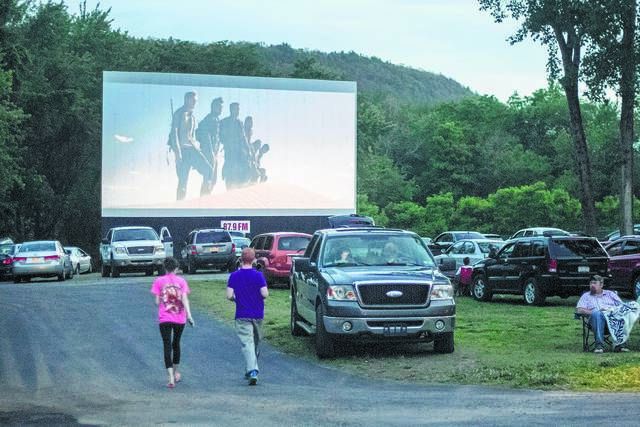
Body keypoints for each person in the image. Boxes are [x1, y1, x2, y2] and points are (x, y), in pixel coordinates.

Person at [226, 247, 269, 385]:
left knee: (248, 343)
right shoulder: (258, 275)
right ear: (254, 259)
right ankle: (252, 370)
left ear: (241, 259)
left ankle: (251, 370)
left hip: (242, 313)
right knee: (255, 343)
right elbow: (265, 294)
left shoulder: (234, 276)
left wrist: (236, 298)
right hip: (257, 314)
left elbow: (229, 295)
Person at [151, 257, 194, 388]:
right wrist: (189, 315)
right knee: (176, 344)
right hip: (179, 318)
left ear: (165, 268)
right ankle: (175, 373)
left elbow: (157, 302)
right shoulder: (181, 281)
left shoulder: (159, 281)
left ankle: (169, 376)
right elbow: (185, 299)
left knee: (166, 345)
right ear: (176, 268)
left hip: (164, 318)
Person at [168, 91, 213, 200]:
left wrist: (198, 150)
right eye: (193, 100)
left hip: (192, 151)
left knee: (209, 171)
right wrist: (178, 154)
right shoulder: (178, 114)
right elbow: (174, 134)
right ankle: (179, 209)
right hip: (182, 151)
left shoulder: (193, 117)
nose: (195, 103)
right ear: (187, 99)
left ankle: (204, 199)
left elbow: (191, 137)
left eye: (196, 101)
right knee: (183, 182)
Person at [576, 275, 627, 353]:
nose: (592, 285)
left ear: (601, 285)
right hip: (595, 322)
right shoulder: (586, 296)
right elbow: (579, 310)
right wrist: (595, 312)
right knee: (597, 314)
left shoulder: (610, 294)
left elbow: (622, 306)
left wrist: (609, 310)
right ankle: (599, 346)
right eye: (591, 283)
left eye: (595, 283)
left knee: (620, 315)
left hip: (612, 321)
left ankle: (620, 345)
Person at [219, 102, 251, 189]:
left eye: (238, 109)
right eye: (236, 109)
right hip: (229, 152)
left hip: (239, 153)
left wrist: (248, 150)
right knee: (230, 174)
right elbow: (220, 136)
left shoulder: (240, 123)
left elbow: (244, 138)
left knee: (241, 174)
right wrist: (227, 142)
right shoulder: (224, 122)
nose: (237, 111)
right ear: (231, 110)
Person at [195, 97, 223, 191]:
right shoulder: (208, 119)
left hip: (214, 153)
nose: (221, 109)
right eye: (219, 106)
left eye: (221, 107)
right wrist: (210, 152)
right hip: (208, 152)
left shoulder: (217, 120)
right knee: (208, 179)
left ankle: (206, 198)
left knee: (213, 180)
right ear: (213, 107)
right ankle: (203, 201)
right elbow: (205, 136)